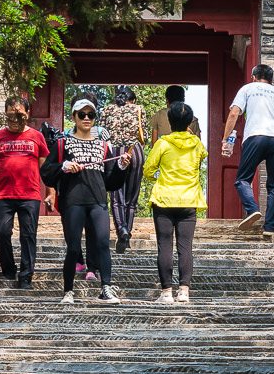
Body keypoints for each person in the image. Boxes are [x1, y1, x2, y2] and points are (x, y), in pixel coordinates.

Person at [43, 95, 129, 304]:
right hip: (73, 201)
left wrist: (121, 168)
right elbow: (46, 171)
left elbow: (110, 182)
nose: (86, 118)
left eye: (91, 115)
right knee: (73, 247)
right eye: (82, 114)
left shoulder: (103, 146)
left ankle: (106, 287)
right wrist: (63, 167)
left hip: (98, 201)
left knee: (102, 243)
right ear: (74, 116)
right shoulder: (63, 143)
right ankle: (68, 291)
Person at [0, 95, 49, 287]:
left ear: (27, 113)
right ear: (6, 114)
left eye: (20, 115)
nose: (15, 120)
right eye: (10, 115)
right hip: (4, 195)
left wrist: (51, 191)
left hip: (30, 196)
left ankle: (25, 276)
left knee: (28, 235)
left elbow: (46, 168)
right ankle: (8, 270)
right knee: (1, 232)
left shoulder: (37, 137)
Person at [220, 62, 274, 236]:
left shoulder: (247, 89)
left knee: (242, 180)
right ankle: (270, 228)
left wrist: (225, 140)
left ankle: (252, 209)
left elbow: (234, 113)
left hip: (255, 138)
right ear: (271, 79)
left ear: (253, 77)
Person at [143, 102, 206, 303]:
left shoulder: (162, 143)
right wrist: (188, 131)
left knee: (165, 245)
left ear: (169, 122)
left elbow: (147, 171)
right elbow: (201, 157)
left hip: (164, 200)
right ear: (190, 122)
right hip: (189, 200)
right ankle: (184, 292)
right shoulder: (197, 144)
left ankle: (166, 293)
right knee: (185, 246)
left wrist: (159, 178)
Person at [102, 84, 148, 252]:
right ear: (133, 99)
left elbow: (102, 134)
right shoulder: (138, 108)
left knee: (116, 195)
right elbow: (145, 136)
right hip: (134, 151)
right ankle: (127, 231)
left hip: (115, 152)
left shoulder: (107, 110)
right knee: (132, 196)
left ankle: (120, 228)